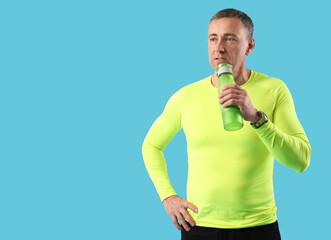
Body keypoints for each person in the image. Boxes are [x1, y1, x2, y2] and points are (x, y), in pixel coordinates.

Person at [141, 8, 311, 240]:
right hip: (199, 227)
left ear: (249, 46)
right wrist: (167, 196)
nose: (219, 47)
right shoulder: (186, 96)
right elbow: (151, 145)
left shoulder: (274, 89)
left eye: (230, 39)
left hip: (259, 228)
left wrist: (257, 119)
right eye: (213, 38)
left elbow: (300, 161)